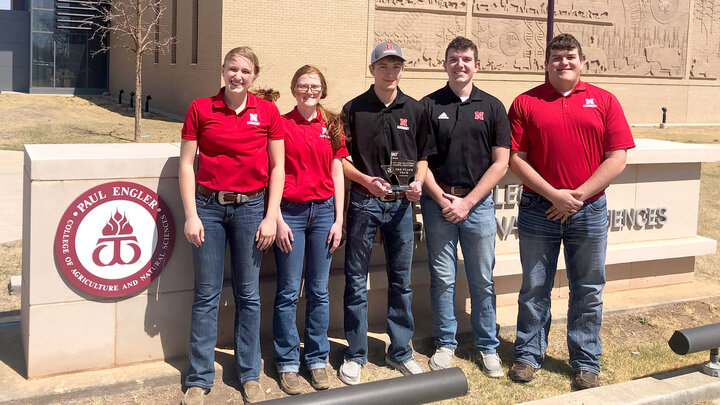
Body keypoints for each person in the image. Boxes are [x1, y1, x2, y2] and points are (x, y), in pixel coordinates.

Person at [507, 33, 635, 390]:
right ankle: (528, 356)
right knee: (534, 287)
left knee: (589, 289)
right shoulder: (525, 102)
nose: (564, 62)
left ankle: (585, 361)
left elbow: (618, 156)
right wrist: (554, 196)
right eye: (557, 57)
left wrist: (576, 197)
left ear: (582, 62)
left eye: (570, 56)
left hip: (589, 210)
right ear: (545, 64)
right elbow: (516, 158)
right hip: (538, 209)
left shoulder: (604, 100)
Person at [178, 46, 285, 404]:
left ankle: (249, 374)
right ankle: (199, 377)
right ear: (223, 70)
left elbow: (277, 168)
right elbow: (186, 166)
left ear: (255, 76)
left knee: (248, 295)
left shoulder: (267, 111)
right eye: (232, 68)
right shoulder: (200, 109)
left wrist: (271, 216)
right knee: (206, 295)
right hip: (208, 207)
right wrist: (191, 214)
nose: (238, 76)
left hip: (252, 209)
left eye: (245, 71)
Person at [338, 41, 436, 385]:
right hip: (364, 203)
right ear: (372, 70)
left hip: (401, 206)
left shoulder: (417, 109)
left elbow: (423, 157)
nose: (390, 72)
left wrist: (419, 184)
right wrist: (366, 180)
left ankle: (401, 350)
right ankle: (356, 353)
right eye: (383, 66)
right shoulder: (353, 109)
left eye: (395, 66)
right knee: (355, 280)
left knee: (401, 281)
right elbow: (341, 160)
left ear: (401, 70)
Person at [420, 36, 510, 377]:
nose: (461, 65)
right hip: (438, 205)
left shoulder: (493, 106)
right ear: (445, 64)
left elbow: (501, 163)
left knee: (482, 279)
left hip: (479, 206)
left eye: (467, 59)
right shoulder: (428, 105)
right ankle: (446, 342)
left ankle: (488, 346)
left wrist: (469, 202)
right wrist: (443, 199)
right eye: (454, 59)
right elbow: (420, 161)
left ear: (477, 65)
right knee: (442, 278)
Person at [272, 65, 348, 395]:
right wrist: (274, 217)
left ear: (323, 89)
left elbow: (338, 172)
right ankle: (287, 362)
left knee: (319, 290)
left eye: (314, 85)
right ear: (293, 89)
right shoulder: (281, 124)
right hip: (290, 213)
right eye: (302, 85)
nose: (309, 90)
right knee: (289, 290)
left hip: (323, 215)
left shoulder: (331, 124)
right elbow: (272, 171)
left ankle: (317, 359)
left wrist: (339, 219)